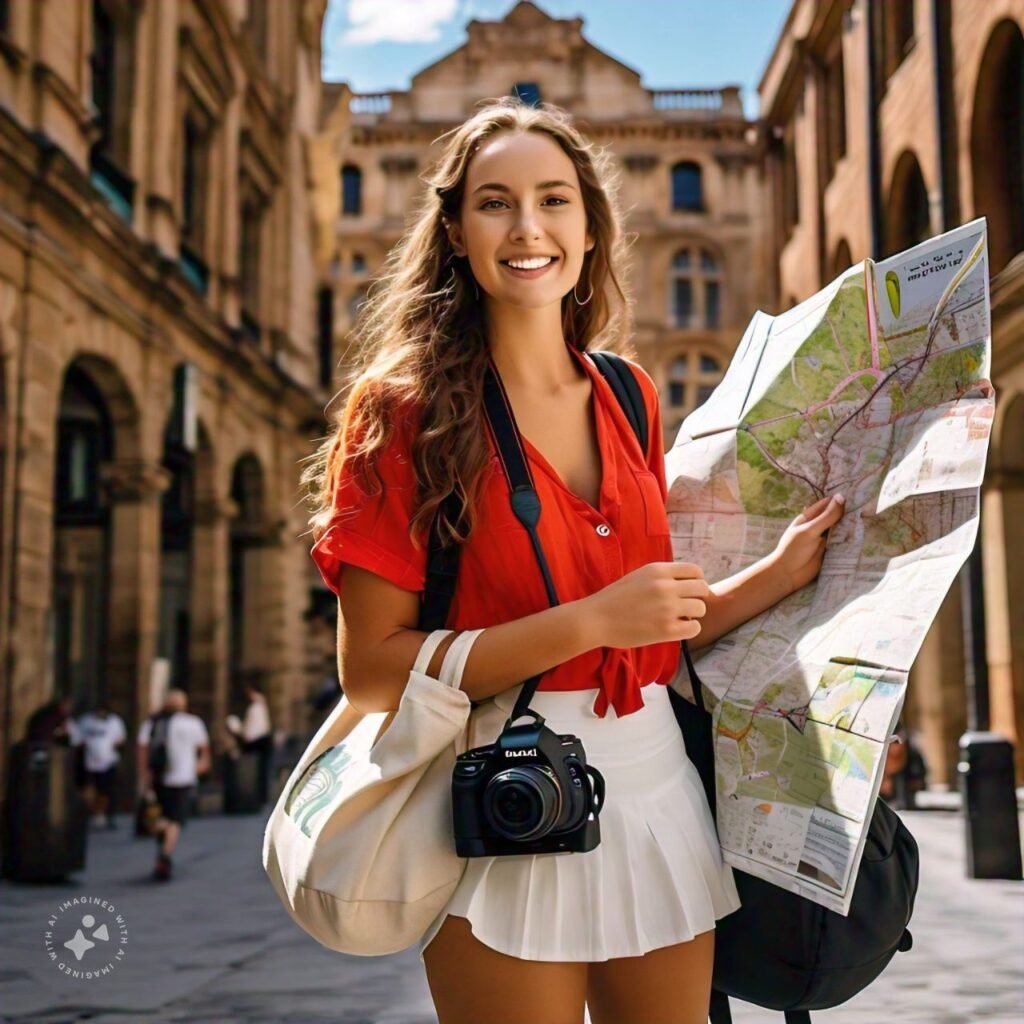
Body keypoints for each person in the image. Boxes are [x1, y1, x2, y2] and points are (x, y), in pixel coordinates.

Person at [303, 97, 845, 1024]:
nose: (528, 228)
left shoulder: (630, 394)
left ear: (590, 230)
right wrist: (590, 621)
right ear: (456, 231)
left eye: (555, 200)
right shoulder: (403, 412)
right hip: (498, 788)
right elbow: (370, 670)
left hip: (655, 782)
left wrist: (781, 575)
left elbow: (652, 627)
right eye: (495, 202)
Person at [136, 689, 211, 881]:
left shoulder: (152, 722)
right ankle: (165, 856)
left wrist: (145, 775)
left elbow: (142, 749)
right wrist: (200, 767)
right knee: (175, 820)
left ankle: (161, 835)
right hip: (183, 778)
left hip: (159, 778)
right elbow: (204, 753)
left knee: (163, 816)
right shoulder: (193, 723)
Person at [76, 701, 127, 829]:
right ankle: (92, 813)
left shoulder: (114, 722)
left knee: (105, 790)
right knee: (88, 789)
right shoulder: (86, 721)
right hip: (89, 761)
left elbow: (120, 740)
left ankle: (101, 814)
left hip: (107, 761)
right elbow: (78, 740)